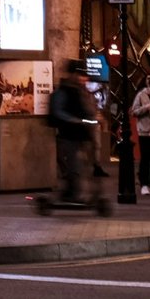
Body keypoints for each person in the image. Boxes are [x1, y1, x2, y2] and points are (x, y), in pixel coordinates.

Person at [47, 62, 102, 205]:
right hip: (69, 134)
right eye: (78, 75)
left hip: (81, 133)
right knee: (73, 165)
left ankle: (72, 192)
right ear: (72, 74)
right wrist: (74, 120)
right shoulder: (63, 91)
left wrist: (90, 119)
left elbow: (85, 110)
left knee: (80, 165)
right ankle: (72, 193)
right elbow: (59, 112)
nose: (81, 78)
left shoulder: (78, 90)